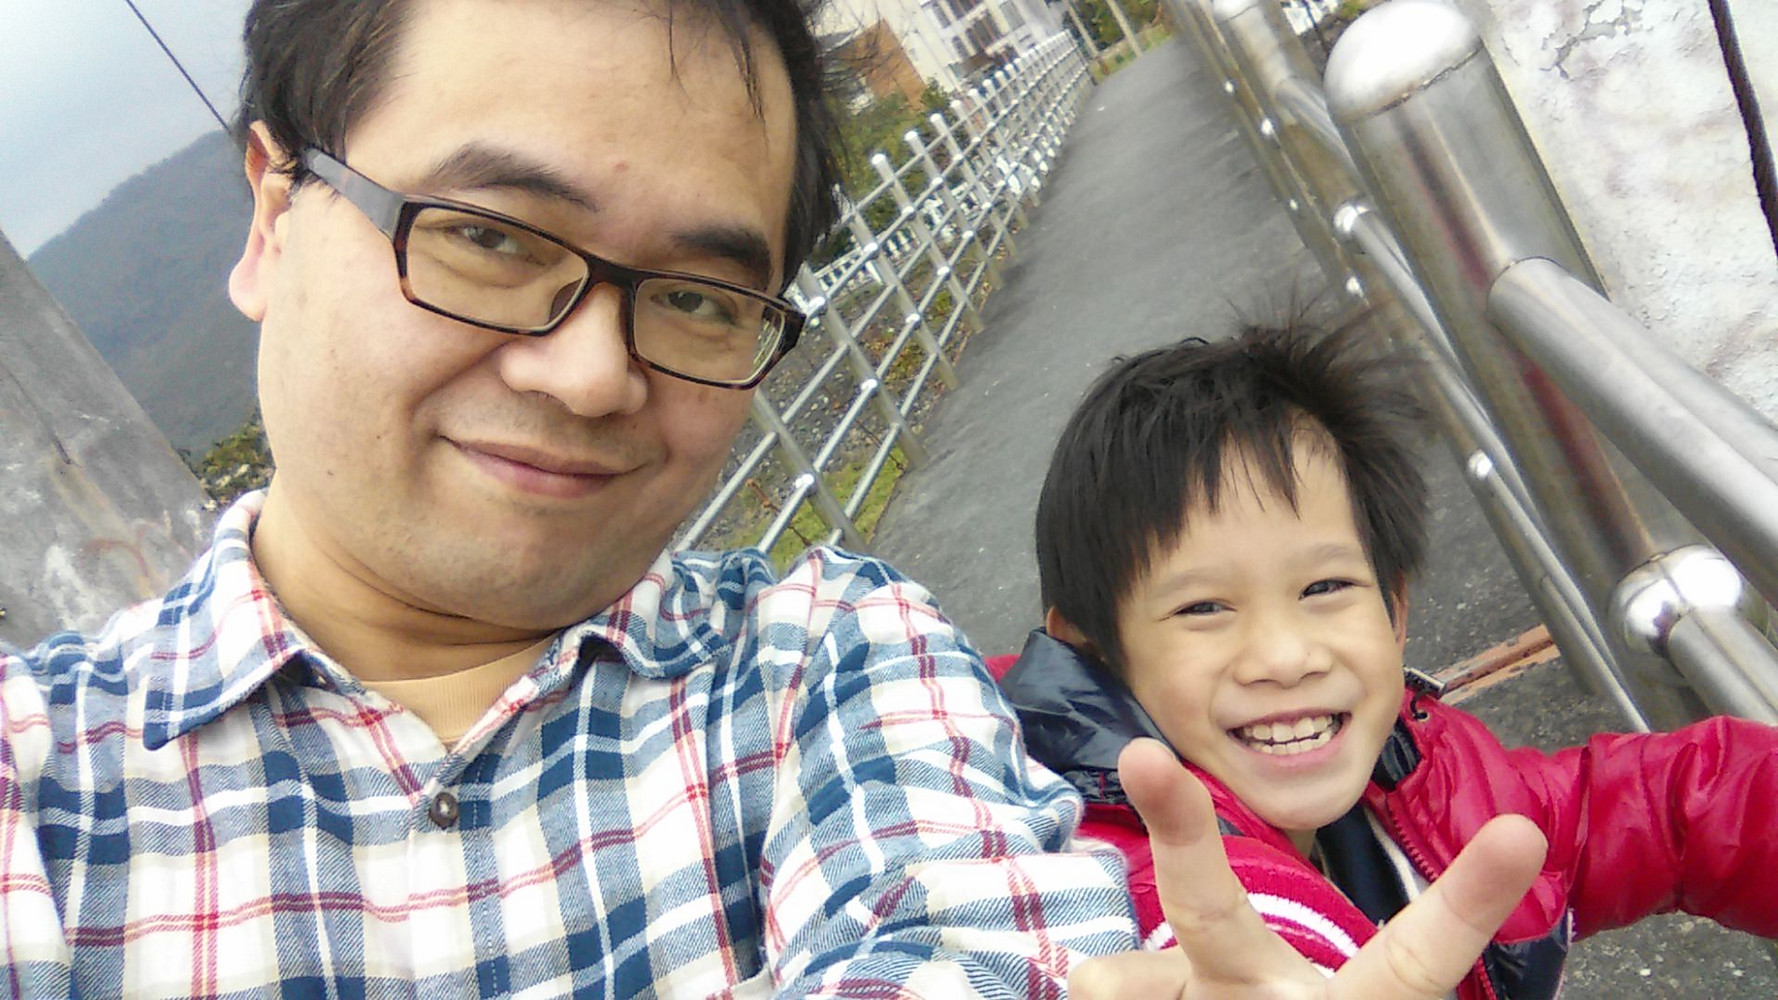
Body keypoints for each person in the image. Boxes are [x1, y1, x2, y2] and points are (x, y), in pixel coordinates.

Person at [0, 0, 1554, 995]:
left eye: (696, 297)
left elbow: (983, 937)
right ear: (273, 214)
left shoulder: (830, 652)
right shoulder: (35, 797)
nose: (590, 372)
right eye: (488, 237)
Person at [1002, 322, 1778, 999]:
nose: (1285, 656)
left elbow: (1672, 810)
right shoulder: (1104, 884)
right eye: (1204, 608)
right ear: (1092, 653)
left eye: (1325, 587)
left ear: (1394, 612)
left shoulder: (1427, 783)